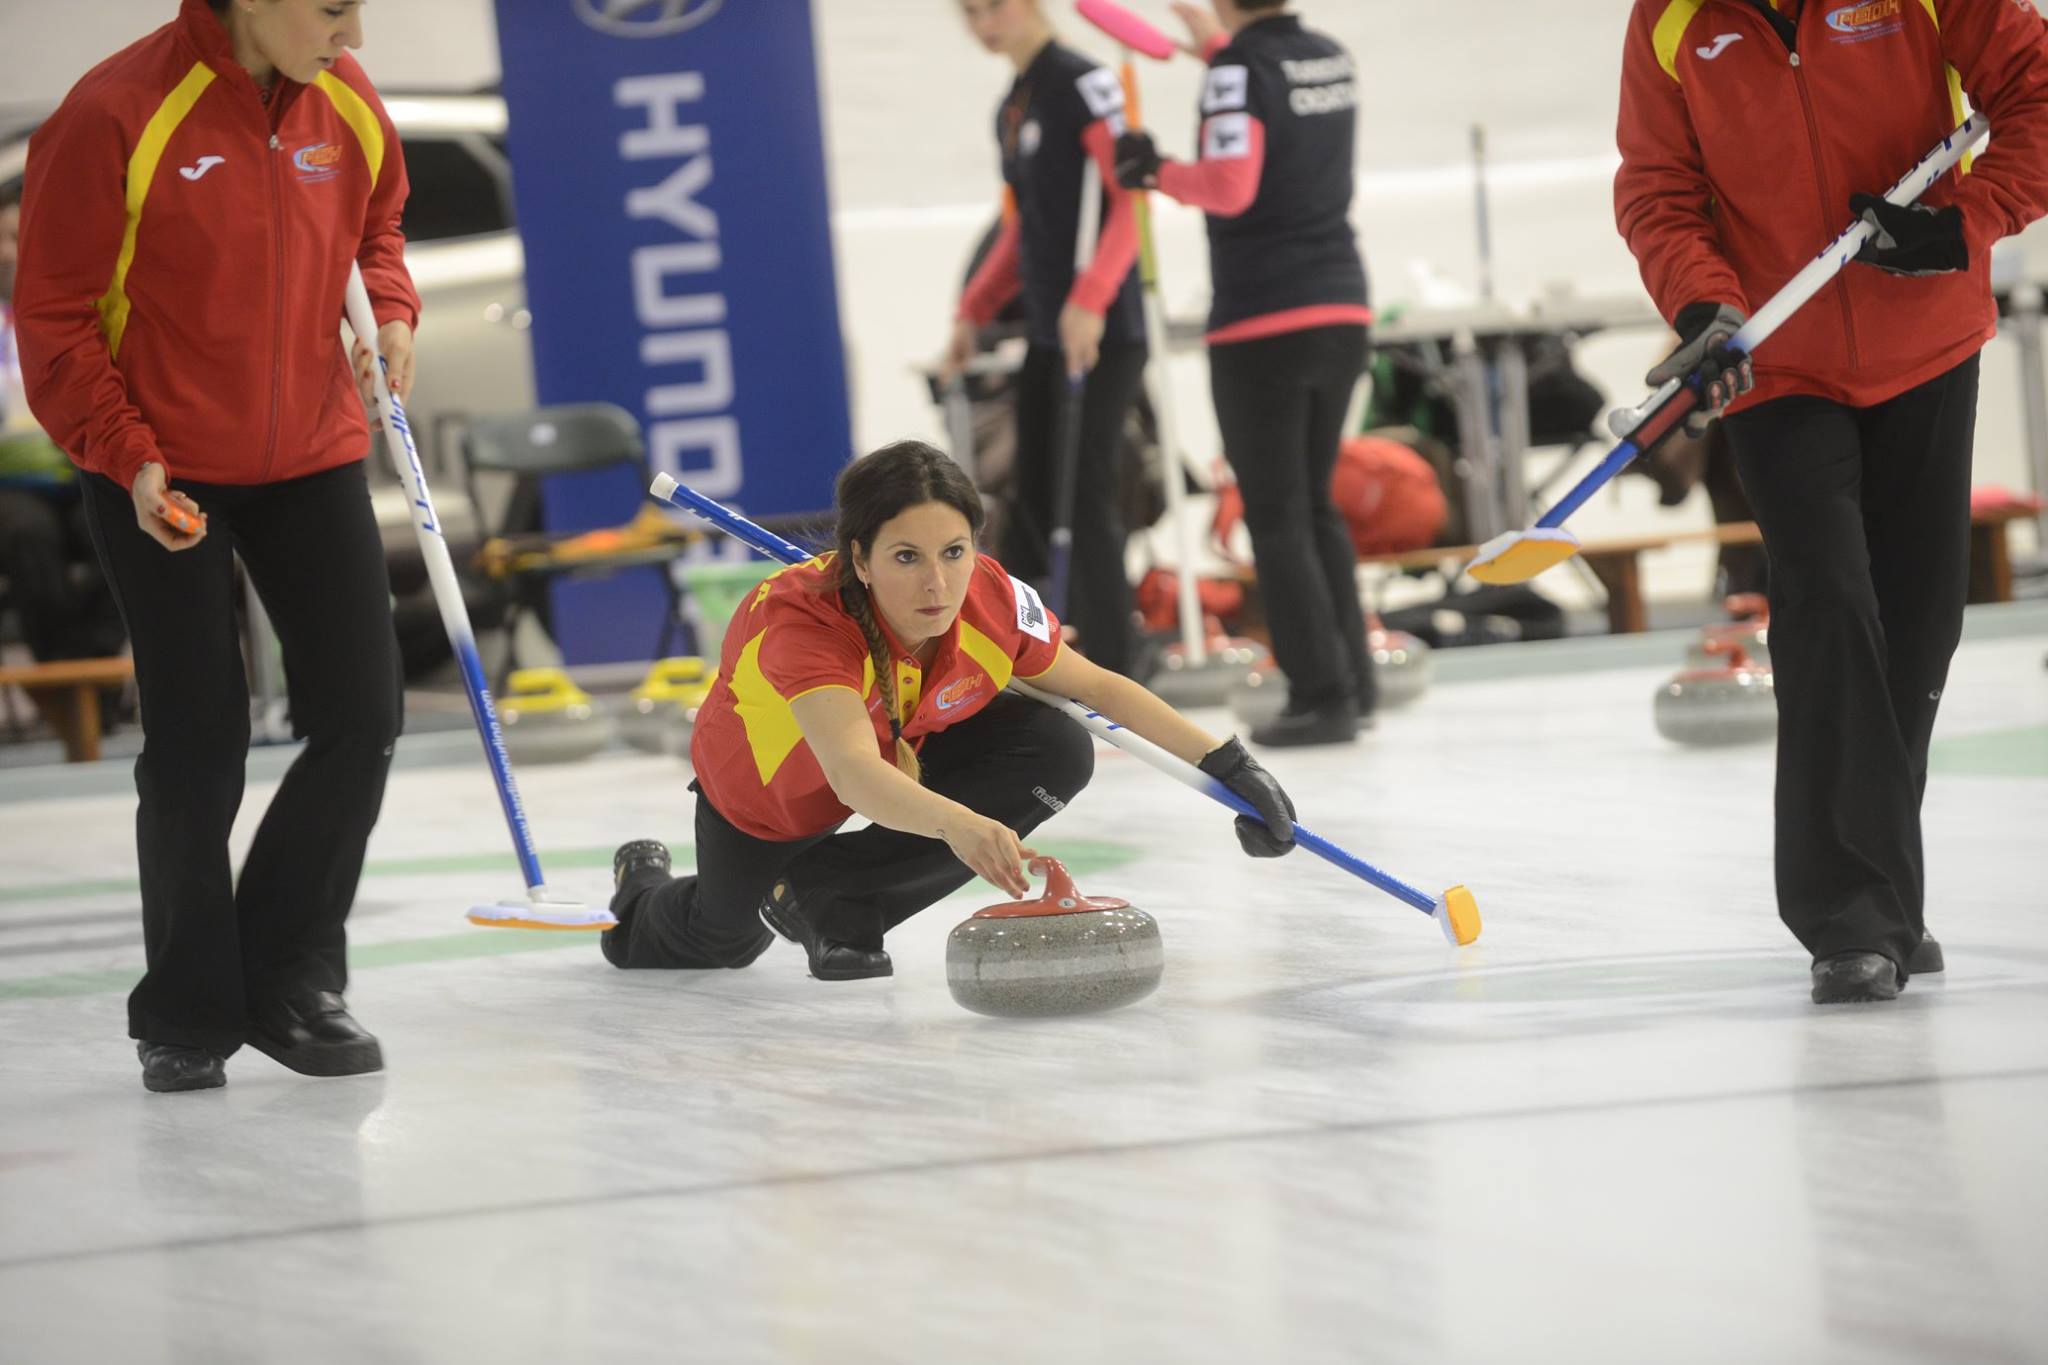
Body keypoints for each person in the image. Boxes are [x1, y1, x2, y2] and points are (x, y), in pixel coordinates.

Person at [14, 0, 420, 1090]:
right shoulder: (113, 113)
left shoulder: (347, 100)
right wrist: (126, 451)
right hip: (161, 467)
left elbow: (375, 233)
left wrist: (389, 316)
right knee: (199, 744)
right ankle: (187, 1007)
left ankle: (291, 978)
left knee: (362, 715)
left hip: (315, 457)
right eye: (335, 10)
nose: (356, 36)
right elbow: (51, 315)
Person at [1615, 0, 2048, 1003]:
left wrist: (1964, 224)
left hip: (1924, 344)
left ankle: (1885, 890)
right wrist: (1701, 303)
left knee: (1916, 623)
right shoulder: (1672, 19)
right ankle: (1848, 916)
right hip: (1777, 365)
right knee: (1824, 601)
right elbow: (1654, 185)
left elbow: (2034, 93)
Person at [602, 440, 1298, 981]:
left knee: (1055, 747)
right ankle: (641, 889)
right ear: (861, 559)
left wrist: (1228, 766)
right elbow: (850, 770)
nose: (937, 583)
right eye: (906, 556)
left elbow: (1097, 687)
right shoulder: (802, 627)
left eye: (955, 551)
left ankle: (837, 896)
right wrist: (960, 825)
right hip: (771, 797)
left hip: (902, 750)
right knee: (718, 939)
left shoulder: (987, 599)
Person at [1112, 0, 1374, 747]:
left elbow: (1231, 184)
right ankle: (1354, 682)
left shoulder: (1237, 70)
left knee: (1278, 516)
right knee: (1315, 509)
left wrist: (1155, 169)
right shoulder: (1327, 55)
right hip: (1342, 306)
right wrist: (1219, 53)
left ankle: (1320, 695)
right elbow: (1273, 109)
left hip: (1265, 318)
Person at [941, 0, 1148, 681]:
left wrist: (1091, 300)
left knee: (1086, 494)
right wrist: (972, 312)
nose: (980, 25)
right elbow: (1024, 227)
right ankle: (1030, 658)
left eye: (991, 7)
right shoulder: (1014, 103)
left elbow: (1126, 204)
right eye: (967, 13)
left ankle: (1118, 670)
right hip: (1045, 333)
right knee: (1030, 495)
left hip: (1101, 332)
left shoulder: (1083, 81)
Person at [0, 182, 126, 665]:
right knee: (27, 538)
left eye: (20, 235)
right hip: (13, 486)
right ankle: (64, 673)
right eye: (3, 238)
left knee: (121, 526)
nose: (12, 251)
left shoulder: (75, 307)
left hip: (81, 470)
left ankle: (98, 667)